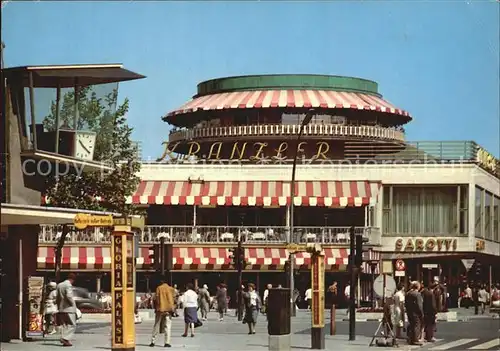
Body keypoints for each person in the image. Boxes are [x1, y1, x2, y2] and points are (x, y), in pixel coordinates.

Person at [149, 276, 175, 348]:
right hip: (168, 310)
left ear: (161, 281)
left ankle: (153, 341)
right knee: (168, 326)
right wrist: (173, 309)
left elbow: (156, 299)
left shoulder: (159, 288)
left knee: (156, 325)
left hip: (160, 309)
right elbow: (173, 300)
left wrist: (156, 307)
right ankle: (167, 342)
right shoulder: (171, 289)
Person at [56, 273, 77, 347]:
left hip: (61, 308)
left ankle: (66, 340)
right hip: (69, 308)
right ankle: (65, 338)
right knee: (72, 324)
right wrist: (73, 304)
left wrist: (58, 306)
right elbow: (69, 296)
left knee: (64, 325)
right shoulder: (68, 285)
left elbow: (57, 297)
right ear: (72, 280)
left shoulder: (59, 285)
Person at [405, 281, 423, 346]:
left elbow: (406, 304)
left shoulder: (407, 293)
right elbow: (419, 305)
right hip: (416, 312)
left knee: (412, 325)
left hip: (409, 312)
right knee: (416, 325)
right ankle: (415, 340)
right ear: (418, 286)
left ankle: (411, 339)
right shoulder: (417, 294)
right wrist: (421, 313)